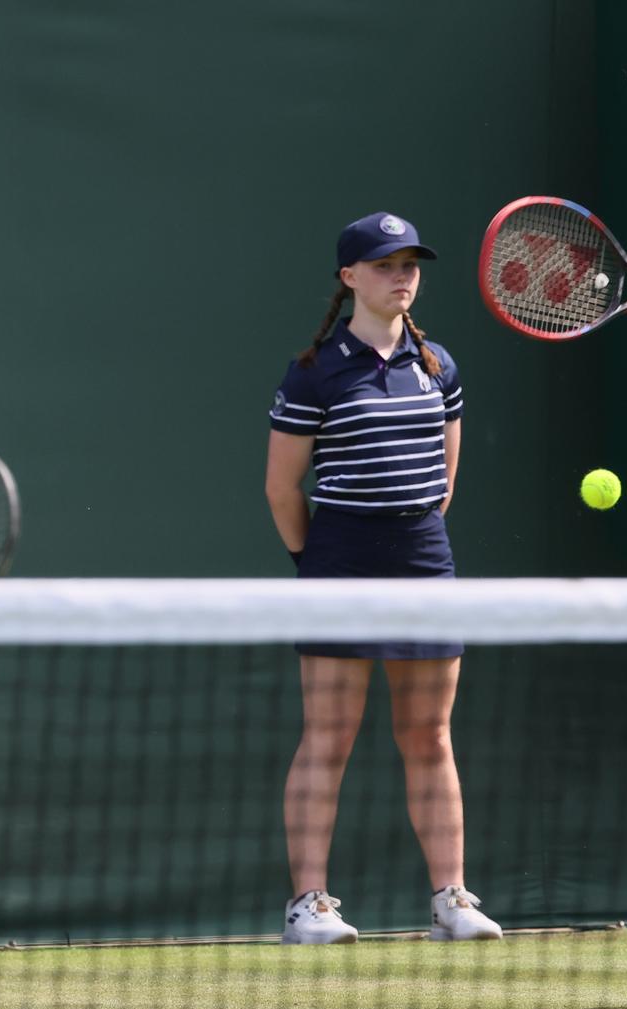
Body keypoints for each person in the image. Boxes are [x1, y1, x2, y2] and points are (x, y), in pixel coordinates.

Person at [264, 213, 504, 947]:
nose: (401, 276)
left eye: (410, 264)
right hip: (339, 553)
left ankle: (451, 900)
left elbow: (445, 477)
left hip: (423, 555)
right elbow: (282, 489)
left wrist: (409, 541)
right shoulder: (313, 372)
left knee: (429, 734)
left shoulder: (440, 367)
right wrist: (318, 562)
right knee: (329, 735)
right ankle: (310, 904)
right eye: (383, 264)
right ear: (350, 278)